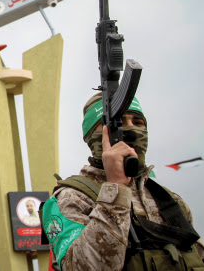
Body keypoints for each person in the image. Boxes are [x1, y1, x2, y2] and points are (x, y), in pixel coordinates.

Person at [42, 93, 204, 270]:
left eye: (138, 122)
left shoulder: (170, 200)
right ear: (92, 136)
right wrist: (116, 187)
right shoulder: (70, 198)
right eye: (117, 124)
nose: (131, 129)